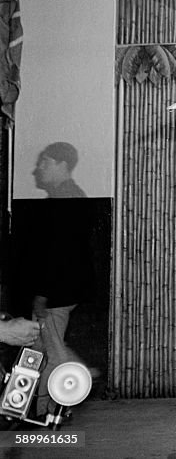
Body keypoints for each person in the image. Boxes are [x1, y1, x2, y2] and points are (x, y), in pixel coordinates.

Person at [26, 142, 94, 417]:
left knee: (52, 354)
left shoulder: (65, 200)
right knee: (40, 347)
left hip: (57, 293)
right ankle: (36, 407)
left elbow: (59, 253)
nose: (37, 168)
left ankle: (48, 410)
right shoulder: (71, 197)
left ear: (62, 166)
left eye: (45, 162)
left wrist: (43, 293)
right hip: (64, 290)